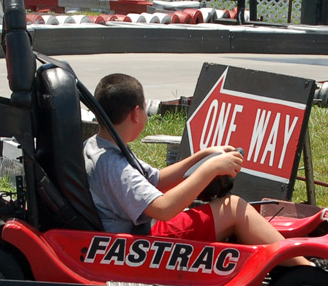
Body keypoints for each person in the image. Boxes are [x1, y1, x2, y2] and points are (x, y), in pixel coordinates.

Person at [84, 73, 310, 265]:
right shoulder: (113, 165)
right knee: (232, 208)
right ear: (136, 113)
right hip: (138, 245)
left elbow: (157, 180)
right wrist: (209, 170)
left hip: (134, 236)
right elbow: (164, 209)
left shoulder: (100, 146)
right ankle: (306, 268)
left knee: (226, 207)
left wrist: (202, 156)